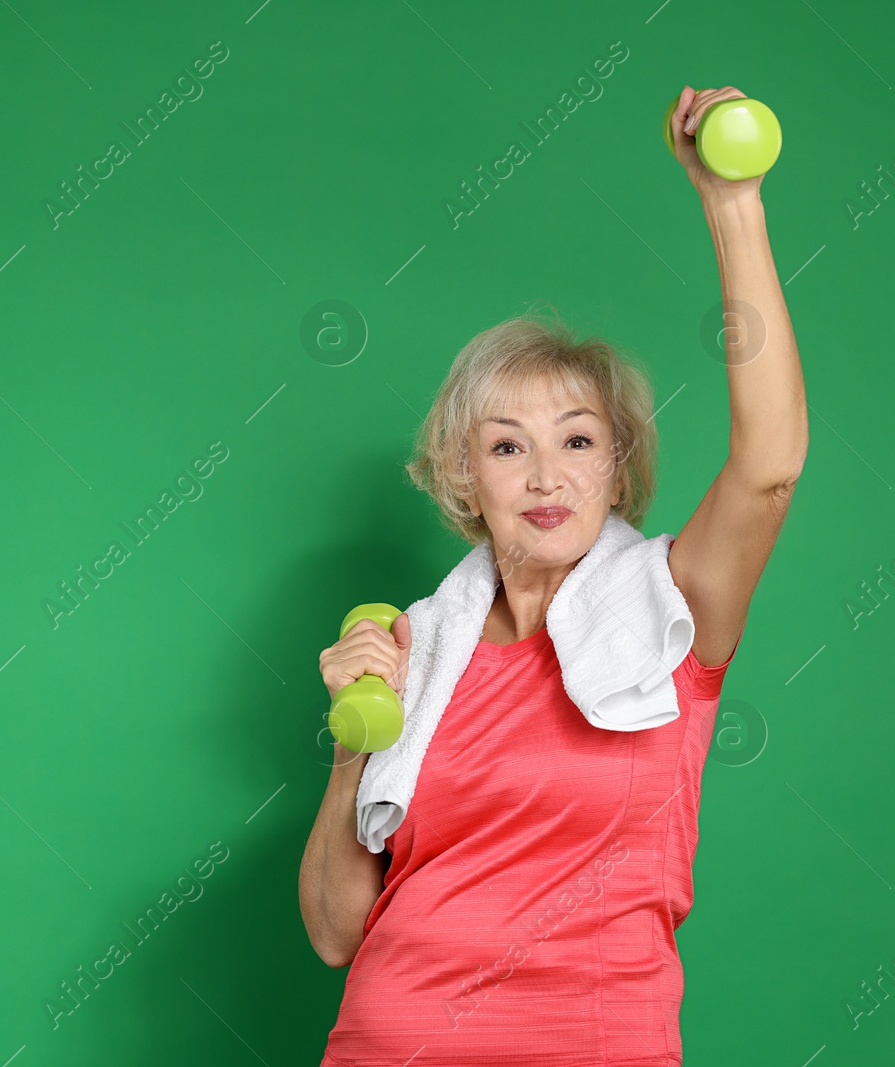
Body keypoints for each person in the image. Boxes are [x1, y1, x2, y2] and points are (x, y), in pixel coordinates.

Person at [300, 84, 808, 1066]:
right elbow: (333, 934)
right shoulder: (421, 642)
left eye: (576, 440)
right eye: (505, 446)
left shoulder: (675, 608)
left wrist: (730, 204)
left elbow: (770, 464)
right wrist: (352, 742)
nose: (544, 474)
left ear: (617, 466)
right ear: (463, 474)